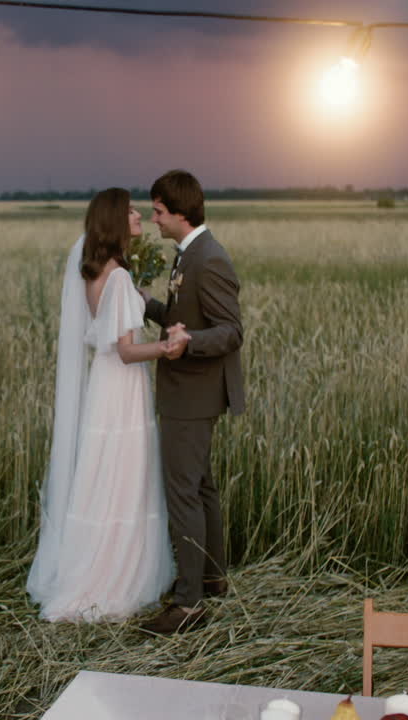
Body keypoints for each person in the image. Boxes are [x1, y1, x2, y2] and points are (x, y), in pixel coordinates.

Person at [27, 188, 189, 622]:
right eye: (130, 210)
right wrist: (167, 347)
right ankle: (115, 579)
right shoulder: (116, 278)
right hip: (120, 385)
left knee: (107, 474)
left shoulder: (98, 273)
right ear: (115, 220)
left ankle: (98, 565)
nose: (138, 215)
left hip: (105, 383)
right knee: (124, 475)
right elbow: (127, 351)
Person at [138, 169, 244, 635]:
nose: (154, 219)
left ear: (180, 212)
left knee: (183, 494)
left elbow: (231, 331)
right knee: (200, 489)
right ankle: (212, 578)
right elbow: (184, 318)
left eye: (158, 211)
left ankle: (187, 606)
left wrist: (190, 343)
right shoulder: (190, 254)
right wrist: (146, 304)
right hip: (189, 392)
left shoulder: (209, 258)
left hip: (193, 395)